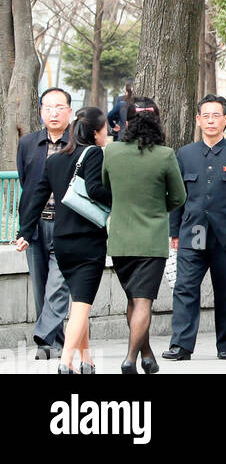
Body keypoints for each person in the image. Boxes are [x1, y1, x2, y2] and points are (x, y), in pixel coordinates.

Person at [163, 94, 226, 362]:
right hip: (193, 232)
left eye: (216, 115)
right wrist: (174, 232)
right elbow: (176, 196)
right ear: (198, 120)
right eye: (205, 115)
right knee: (185, 287)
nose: (210, 120)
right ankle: (181, 345)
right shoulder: (185, 154)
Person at [16, 107, 112, 373]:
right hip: (87, 241)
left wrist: (25, 231)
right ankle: (65, 362)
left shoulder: (55, 160)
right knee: (81, 304)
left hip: (62, 240)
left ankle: (87, 359)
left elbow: (37, 197)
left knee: (78, 301)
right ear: (95, 132)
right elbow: (94, 189)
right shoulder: (93, 154)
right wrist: (115, 198)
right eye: (106, 128)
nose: (109, 132)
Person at [100, 97, 187, 373]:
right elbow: (179, 196)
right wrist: (157, 208)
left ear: (127, 123)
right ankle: (130, 359)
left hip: (121, 239)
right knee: (143, 301)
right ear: (157, 122)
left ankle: (147, 355)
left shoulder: (112, 152)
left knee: (133, 300)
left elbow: (106, 185)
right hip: (151, 240)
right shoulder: (165, 155)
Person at [14, 87, 75, 360]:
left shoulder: (78, 144)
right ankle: (51, 342)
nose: (54, 113)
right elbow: (26, 183)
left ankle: (44, 336)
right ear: (40, 112)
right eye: (48, 108)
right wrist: (24, 227)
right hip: (36, 225)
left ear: (69, 112)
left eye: (59, 107)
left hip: (66, 225)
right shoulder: (28, 143)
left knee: (58, 285)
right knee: (40, 287)